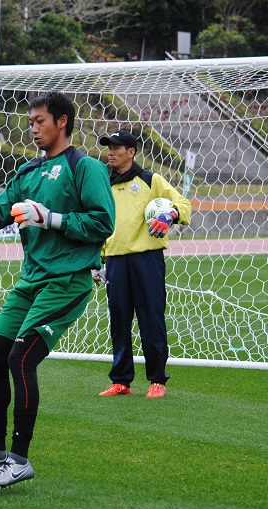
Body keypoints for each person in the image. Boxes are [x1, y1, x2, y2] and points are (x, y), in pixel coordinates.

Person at [0, 91, 114, 489]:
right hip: (30, 281)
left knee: (20, 358)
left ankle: (19, 460)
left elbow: (102, 223)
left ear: (62, 122)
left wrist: (50, 218)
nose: (33, 129)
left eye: (40, 121)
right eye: (30, 122)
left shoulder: (86, 168)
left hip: (66, 281)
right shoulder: (28, 172)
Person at [96, 130, 191, 399]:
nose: (110, 152)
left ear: (131, 152)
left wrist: (170, 215)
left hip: (146, 259)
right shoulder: (104, 183)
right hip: (115, 261)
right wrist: (97, 260)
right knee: (119, 321)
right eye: (109, 147)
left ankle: (157, 381)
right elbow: (101, 221)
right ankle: (121, 380)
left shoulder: (150, 179)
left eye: (116, 147)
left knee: (151, 319)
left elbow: (183, 203)